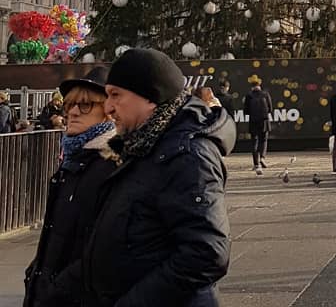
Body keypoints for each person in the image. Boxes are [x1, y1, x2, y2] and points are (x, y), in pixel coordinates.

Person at [84, 48, 235, 307]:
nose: (107, 107)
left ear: (151, 97)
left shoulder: (187, 154)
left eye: (115, 95)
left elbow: (207, 252)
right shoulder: (143, 145)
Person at [23, 68, 118, 307]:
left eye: (85, 105)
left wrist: (58, 289)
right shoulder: (73, 159)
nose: (73, 112)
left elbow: (103, 250)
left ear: (108, 112)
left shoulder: (111, 165)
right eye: (70, 104)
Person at [243, 79, 272, 171]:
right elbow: (270, 109)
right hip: (264, 121)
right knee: (263, 140)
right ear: (260, 85)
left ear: (252, 87)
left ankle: (256, 164)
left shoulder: (249, 96)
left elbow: (246, 111)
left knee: (254, 142)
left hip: (253, 121)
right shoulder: (265, 94)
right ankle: (262, 158)